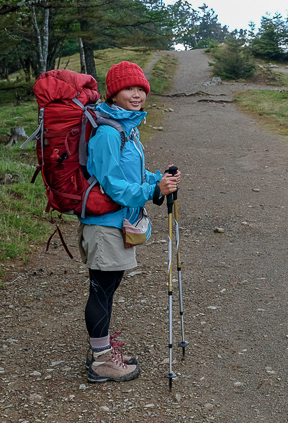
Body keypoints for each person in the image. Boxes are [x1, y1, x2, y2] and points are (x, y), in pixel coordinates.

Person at [79, 61, 181, 383]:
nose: (137, 95)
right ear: (114, 92)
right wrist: (153, 190)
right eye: (129, 88)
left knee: (107, 288)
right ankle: (101, 361)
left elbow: (131, 175)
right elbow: (112, 185)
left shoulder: (127, 127)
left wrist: (157, 178)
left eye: (141, 89)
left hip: (115, 224)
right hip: (104, 225)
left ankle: (102, 348)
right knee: (101, 290)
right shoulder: (109, 132)